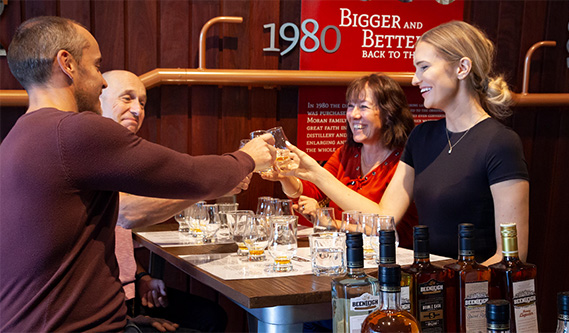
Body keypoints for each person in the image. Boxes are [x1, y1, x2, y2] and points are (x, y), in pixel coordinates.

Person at [0, 16, 274, 332]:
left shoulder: (17, 137)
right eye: (97, 66)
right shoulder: (75, 130)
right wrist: (247, 158)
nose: (102, 81)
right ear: (68, 64)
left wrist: (130, 320)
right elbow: (190, 175)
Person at [283, 21, 529, 265]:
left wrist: (454, 286)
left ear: (462, 68)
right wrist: (315, 173)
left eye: (423, 67)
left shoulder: (500, 143)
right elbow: (383, 217)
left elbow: (510, 257)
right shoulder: (421, 137)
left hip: (473, 294)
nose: (414, 79)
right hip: (427, 284)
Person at [101, 70, 246, 332]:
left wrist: (142, 277)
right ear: (97, 99)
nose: (137, 110)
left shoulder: (123, 157)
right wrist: (210, 188)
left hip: (128, 296)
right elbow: (127, 212)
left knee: (212, 316)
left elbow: (115, 242)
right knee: (209, 321)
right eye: (127, 98)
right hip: (103, 311)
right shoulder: (94, 153)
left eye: (142, 102)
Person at [262, 73, 418, 247]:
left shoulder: (405, 160)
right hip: (343, 251)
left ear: (389, 113)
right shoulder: (347, 153)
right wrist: (286, 176)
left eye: (363, 107)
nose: (354, 115)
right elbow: (312, 193)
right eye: (351, 106)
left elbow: (385, 227)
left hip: (392, 258)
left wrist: (330, 222)